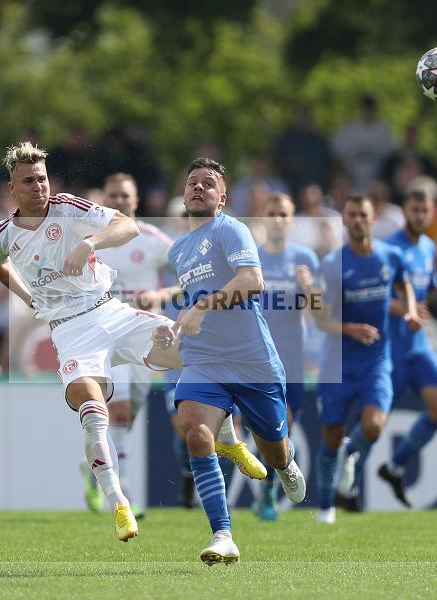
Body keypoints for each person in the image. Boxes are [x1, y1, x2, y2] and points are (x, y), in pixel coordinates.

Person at [0, 141, 179, 542]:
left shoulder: (68, 207)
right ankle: (119, 503)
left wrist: (88, 243)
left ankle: (228, 437)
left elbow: (128, 225)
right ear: (12, 188)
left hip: (111, 311)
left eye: (42, 178)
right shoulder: (0, 236)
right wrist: (25, 295)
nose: (39, 186)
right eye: (29, 181)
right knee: (95, 412)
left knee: (187, 347)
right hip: (71, 332)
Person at [166, 157, 306, 564]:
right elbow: (194, 302)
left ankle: (286, 460)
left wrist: (203, 306)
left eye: (208, 184)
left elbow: (252, 281)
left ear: (222, 198)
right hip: (203, 361)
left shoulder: (231, 229)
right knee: (194, 433)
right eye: (192, 182)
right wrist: (177, 323)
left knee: (274, 453)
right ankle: (223, 534)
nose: (198, 188)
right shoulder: (178, 249)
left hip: (252, 363)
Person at [312, 195, 418, 524]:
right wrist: (350, 328)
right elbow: (320, 319)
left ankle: (350, 453)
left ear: (373, 220)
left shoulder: (391, 255)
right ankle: (327, 505)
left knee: (373, 426)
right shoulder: (332, 264)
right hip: (338, 362)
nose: (357, 220)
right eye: (352, 215)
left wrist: (411, 310)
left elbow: (405, 284)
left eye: (363, 214)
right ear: (344, 221)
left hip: (376, 362)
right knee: (330, 435)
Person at [83, 172, 179, 515]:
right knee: (118, 410)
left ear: (136, 201)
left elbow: (190, 278)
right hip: (106, 335)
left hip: (145, 338)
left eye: (125, 195)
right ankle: (121, 494)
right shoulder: (91, 240)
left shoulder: (154, 241)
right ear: (104, 202)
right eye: (113, 196)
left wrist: (160, 294)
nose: (119, 201)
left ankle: (96, 464)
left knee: (126, 415)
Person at [376, 186, 437, 507]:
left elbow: (428, 293)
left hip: (418, 346)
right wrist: (405, 309)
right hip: (391, 348)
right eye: (415, 210)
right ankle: (343, 470)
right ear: (405, 211)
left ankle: (395, 466)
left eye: (425, 211)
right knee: (372, 422)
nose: (420, 216)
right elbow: (373, 297)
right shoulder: (387, 249)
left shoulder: (428, 247)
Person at [253, 192, 319, 520]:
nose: (278, 219)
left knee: (283, 427)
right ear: (264, 217)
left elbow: (320, 312)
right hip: (253, 355)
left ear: (292, 220)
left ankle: (266, 491)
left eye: (284, 213)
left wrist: (310, 290)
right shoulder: (251, 256)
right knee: (247, 423)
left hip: (290, 358)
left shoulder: (304, 257)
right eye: (272, 212)